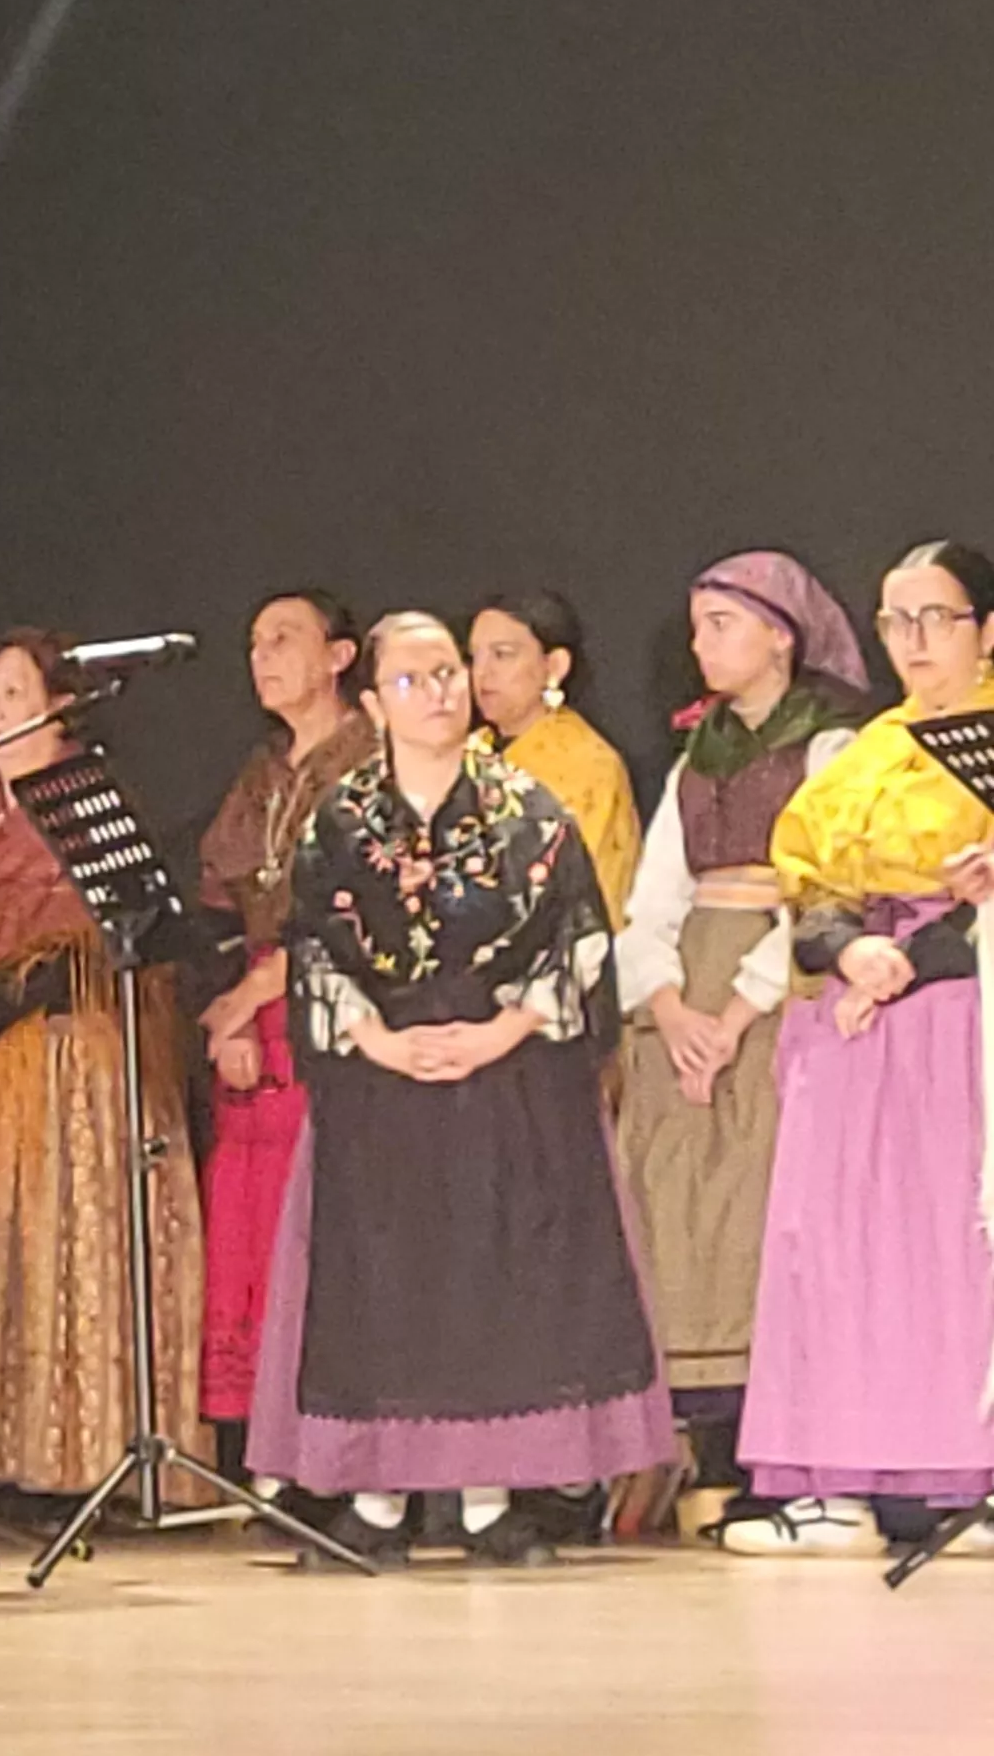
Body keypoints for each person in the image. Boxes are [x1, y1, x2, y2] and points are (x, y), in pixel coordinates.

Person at [252, 612, 671, 1566]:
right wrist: (380, 1041)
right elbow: (312, 947)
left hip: (503, 1076)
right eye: (413, 678)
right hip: (381, 1088)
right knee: (385, 1284)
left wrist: (497, 1031)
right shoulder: (339, 822)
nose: (440, 691)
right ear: (373, 702)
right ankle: (379, 1499)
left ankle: (488, 1502)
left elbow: (578, 940)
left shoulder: (529, 810)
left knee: (494, 1284)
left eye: (447, 672)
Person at [0, 631, 208, 1511]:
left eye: (10, 690)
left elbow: (79, 940)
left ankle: (79, 1457)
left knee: (54, 1258)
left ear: (59, 703)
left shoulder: (77, 803)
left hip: (60, 1058)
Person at [732, 540, 994, 1557]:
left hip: (960, 1018)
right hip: (859, 1019)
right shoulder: (867, 748)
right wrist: (852, 950)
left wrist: (915, 959)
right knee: (833, 1248)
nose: (914, 641)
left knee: (955, 1247)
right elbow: (808, 888)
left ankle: (967, 1466)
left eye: (937, 618)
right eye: (895, 620)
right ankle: (834, 1476)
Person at [610, 555, 867, 1535]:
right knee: (680, 1209)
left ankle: (780, 1450)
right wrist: (670, 1005)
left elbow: (823, 892)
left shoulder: (831, 748)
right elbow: (653, 899)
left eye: (721, 623)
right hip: (692, 989)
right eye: (698, 624)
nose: (701, 643)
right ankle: (705, 1447)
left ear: (780, 636)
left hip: (778, 991)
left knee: (762, 1209)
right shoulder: (695, 759)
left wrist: (742, 1005)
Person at [192, 590, 372, 1470]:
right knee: (251, 1217)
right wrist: (230, 1006)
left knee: (325, 1212)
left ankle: (340, 1443)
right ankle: (268, 1442)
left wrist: (251, 996)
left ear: (338, 656)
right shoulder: (261, 771)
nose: (262, 656)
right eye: (254, 641)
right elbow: (228, 903)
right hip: (260, 1011)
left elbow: (344, 912)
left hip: (338, 1003)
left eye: (283, 639)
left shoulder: (365, 760)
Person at [469, 591, 641, 925]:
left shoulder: (588, 764)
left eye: (502, 655)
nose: (482, 672)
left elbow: (588, 893)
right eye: (474, 656)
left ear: (555, 665)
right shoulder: (468, 753)